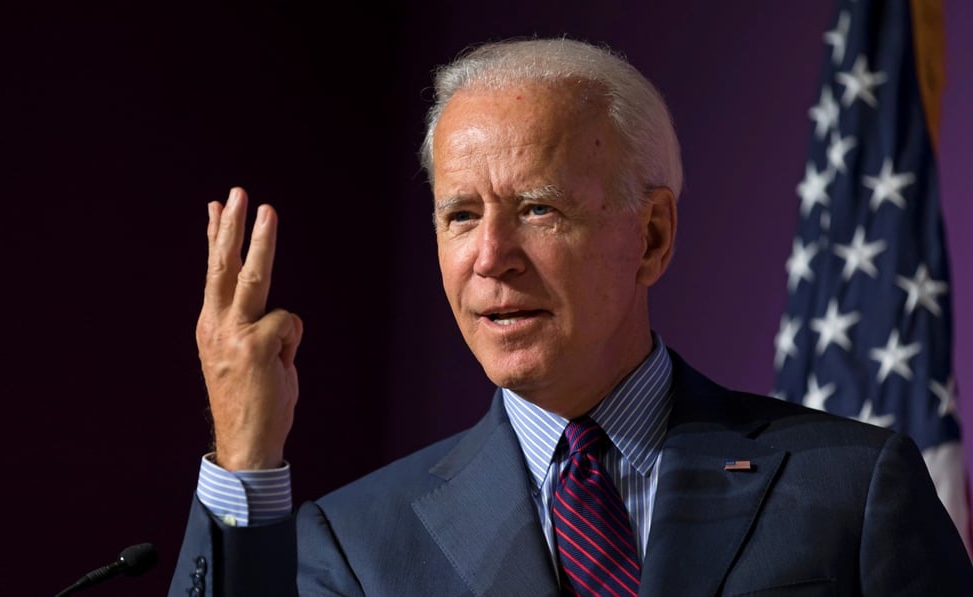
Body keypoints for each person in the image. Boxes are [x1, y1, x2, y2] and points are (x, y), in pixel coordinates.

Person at [169, 37, 973, 596]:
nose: (491, 256)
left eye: (538, 208)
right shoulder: (355, 541)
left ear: (651, 236)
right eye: (460, 215)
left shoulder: (854, 487)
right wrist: (245, 461)